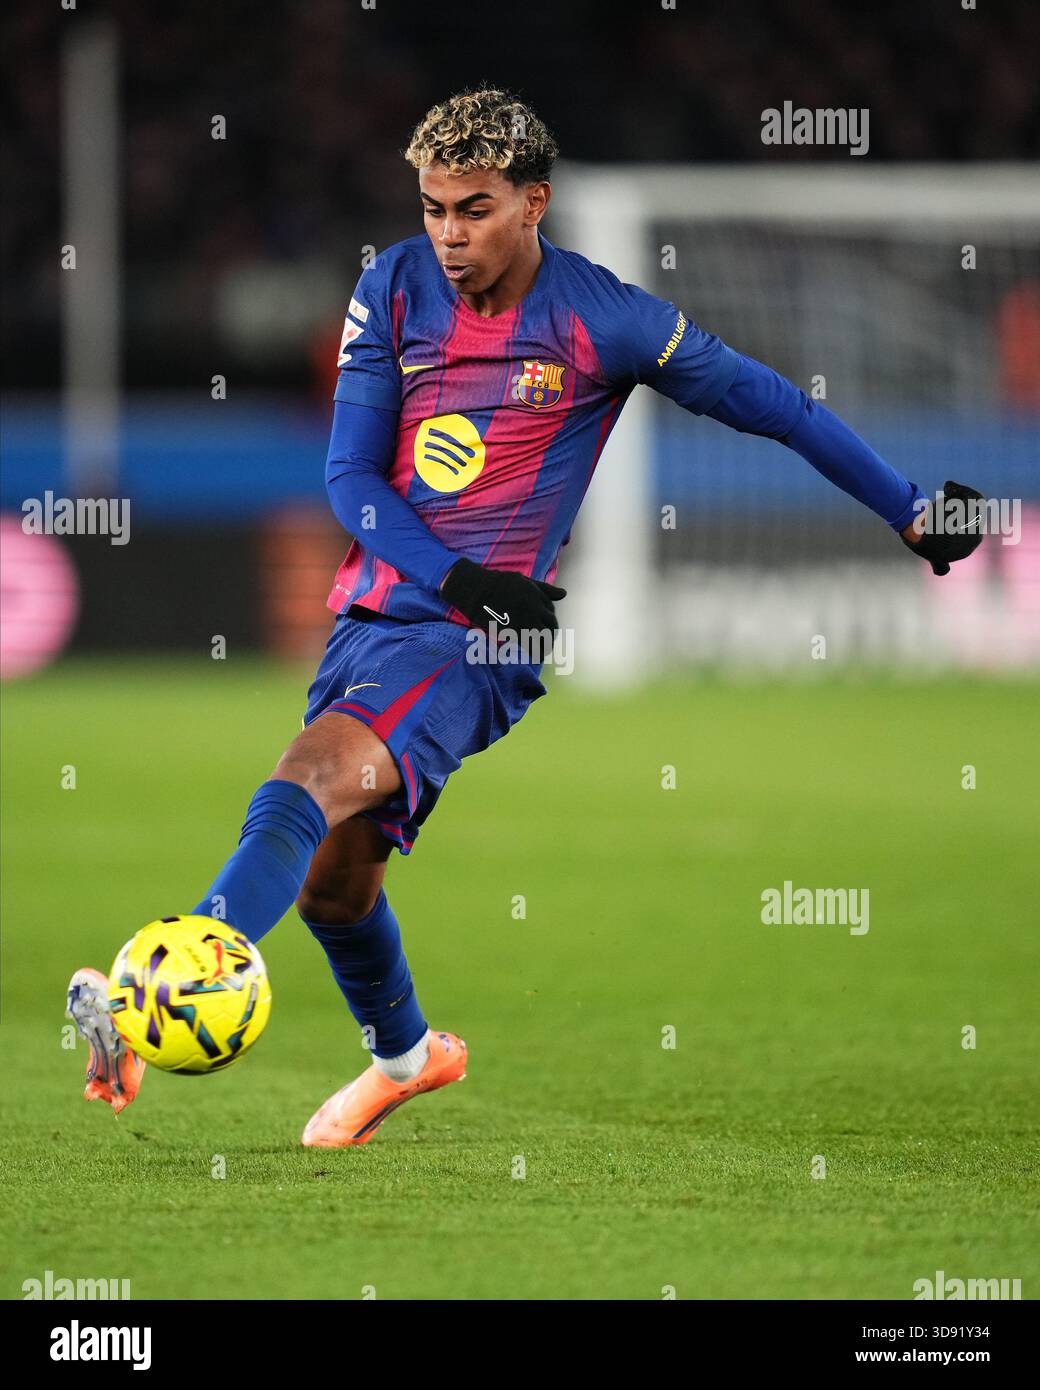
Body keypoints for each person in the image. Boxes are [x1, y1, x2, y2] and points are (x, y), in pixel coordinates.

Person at [67, 87, 983, 1145]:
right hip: (382, 612)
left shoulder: (609, 319)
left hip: (477, 643)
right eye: (432, 208)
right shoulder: (394, 286)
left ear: (532, 203)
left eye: (473, 208)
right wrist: (455, 575)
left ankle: (169, 981)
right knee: (332, 883)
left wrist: (908, 509)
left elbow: (773, 404)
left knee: (309, 777)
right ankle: (407, 1056)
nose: (448, 235)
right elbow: (350, 477)